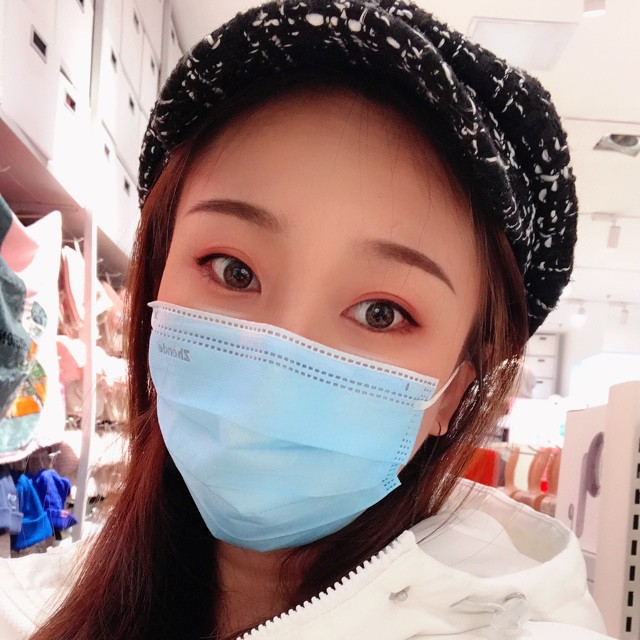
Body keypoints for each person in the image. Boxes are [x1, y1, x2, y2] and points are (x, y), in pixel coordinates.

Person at [27, 1, 614, 639]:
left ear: (452, 392)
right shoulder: (30, 608)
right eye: (232, 270)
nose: (269, 379)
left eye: (381, 314)